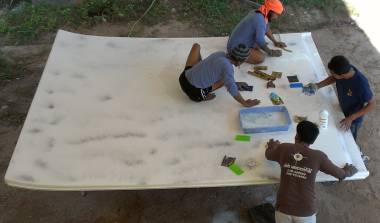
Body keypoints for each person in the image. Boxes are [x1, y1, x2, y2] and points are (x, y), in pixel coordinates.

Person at [265, 121, 358, 223]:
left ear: (297, 136)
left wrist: (272, 146)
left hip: (283, 208)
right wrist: (349, 170)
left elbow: (268, 155)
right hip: (305, 211)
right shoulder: (319, 156)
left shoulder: (284, 148)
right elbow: (341, 174)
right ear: (312, 141)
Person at [303, 56, 375, 157]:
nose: (331, 75)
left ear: (342, 75)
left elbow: (372, 104)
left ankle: (357, 155)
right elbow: (334, 78)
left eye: (333, 73)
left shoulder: (361, 85)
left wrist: (351, 117)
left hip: (353, 118)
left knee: (349, 139)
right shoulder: (346, 69)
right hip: (343, 107)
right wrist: (318, 85)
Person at [179, 43, 260, 107]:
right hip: (194, 92)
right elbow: (232, 89)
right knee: (224, 80)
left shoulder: (220, 53)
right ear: (240, 62)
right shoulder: (227, 68)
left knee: (196, 46)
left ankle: (198, 71)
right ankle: (203, 95)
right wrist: (245, 103)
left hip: (183, 78)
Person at [227, 0, 286, 64]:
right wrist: (271, 52)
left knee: (260, 46)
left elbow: (266, 28)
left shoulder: (261, 12)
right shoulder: (259, 20)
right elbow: (260, 40)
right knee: (260, 58)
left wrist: (275, 41)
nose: (276, 17)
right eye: (276, 14)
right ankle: (235, 57)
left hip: (235, 41)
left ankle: (248, 50)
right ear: (270, 11)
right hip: (235, 48)